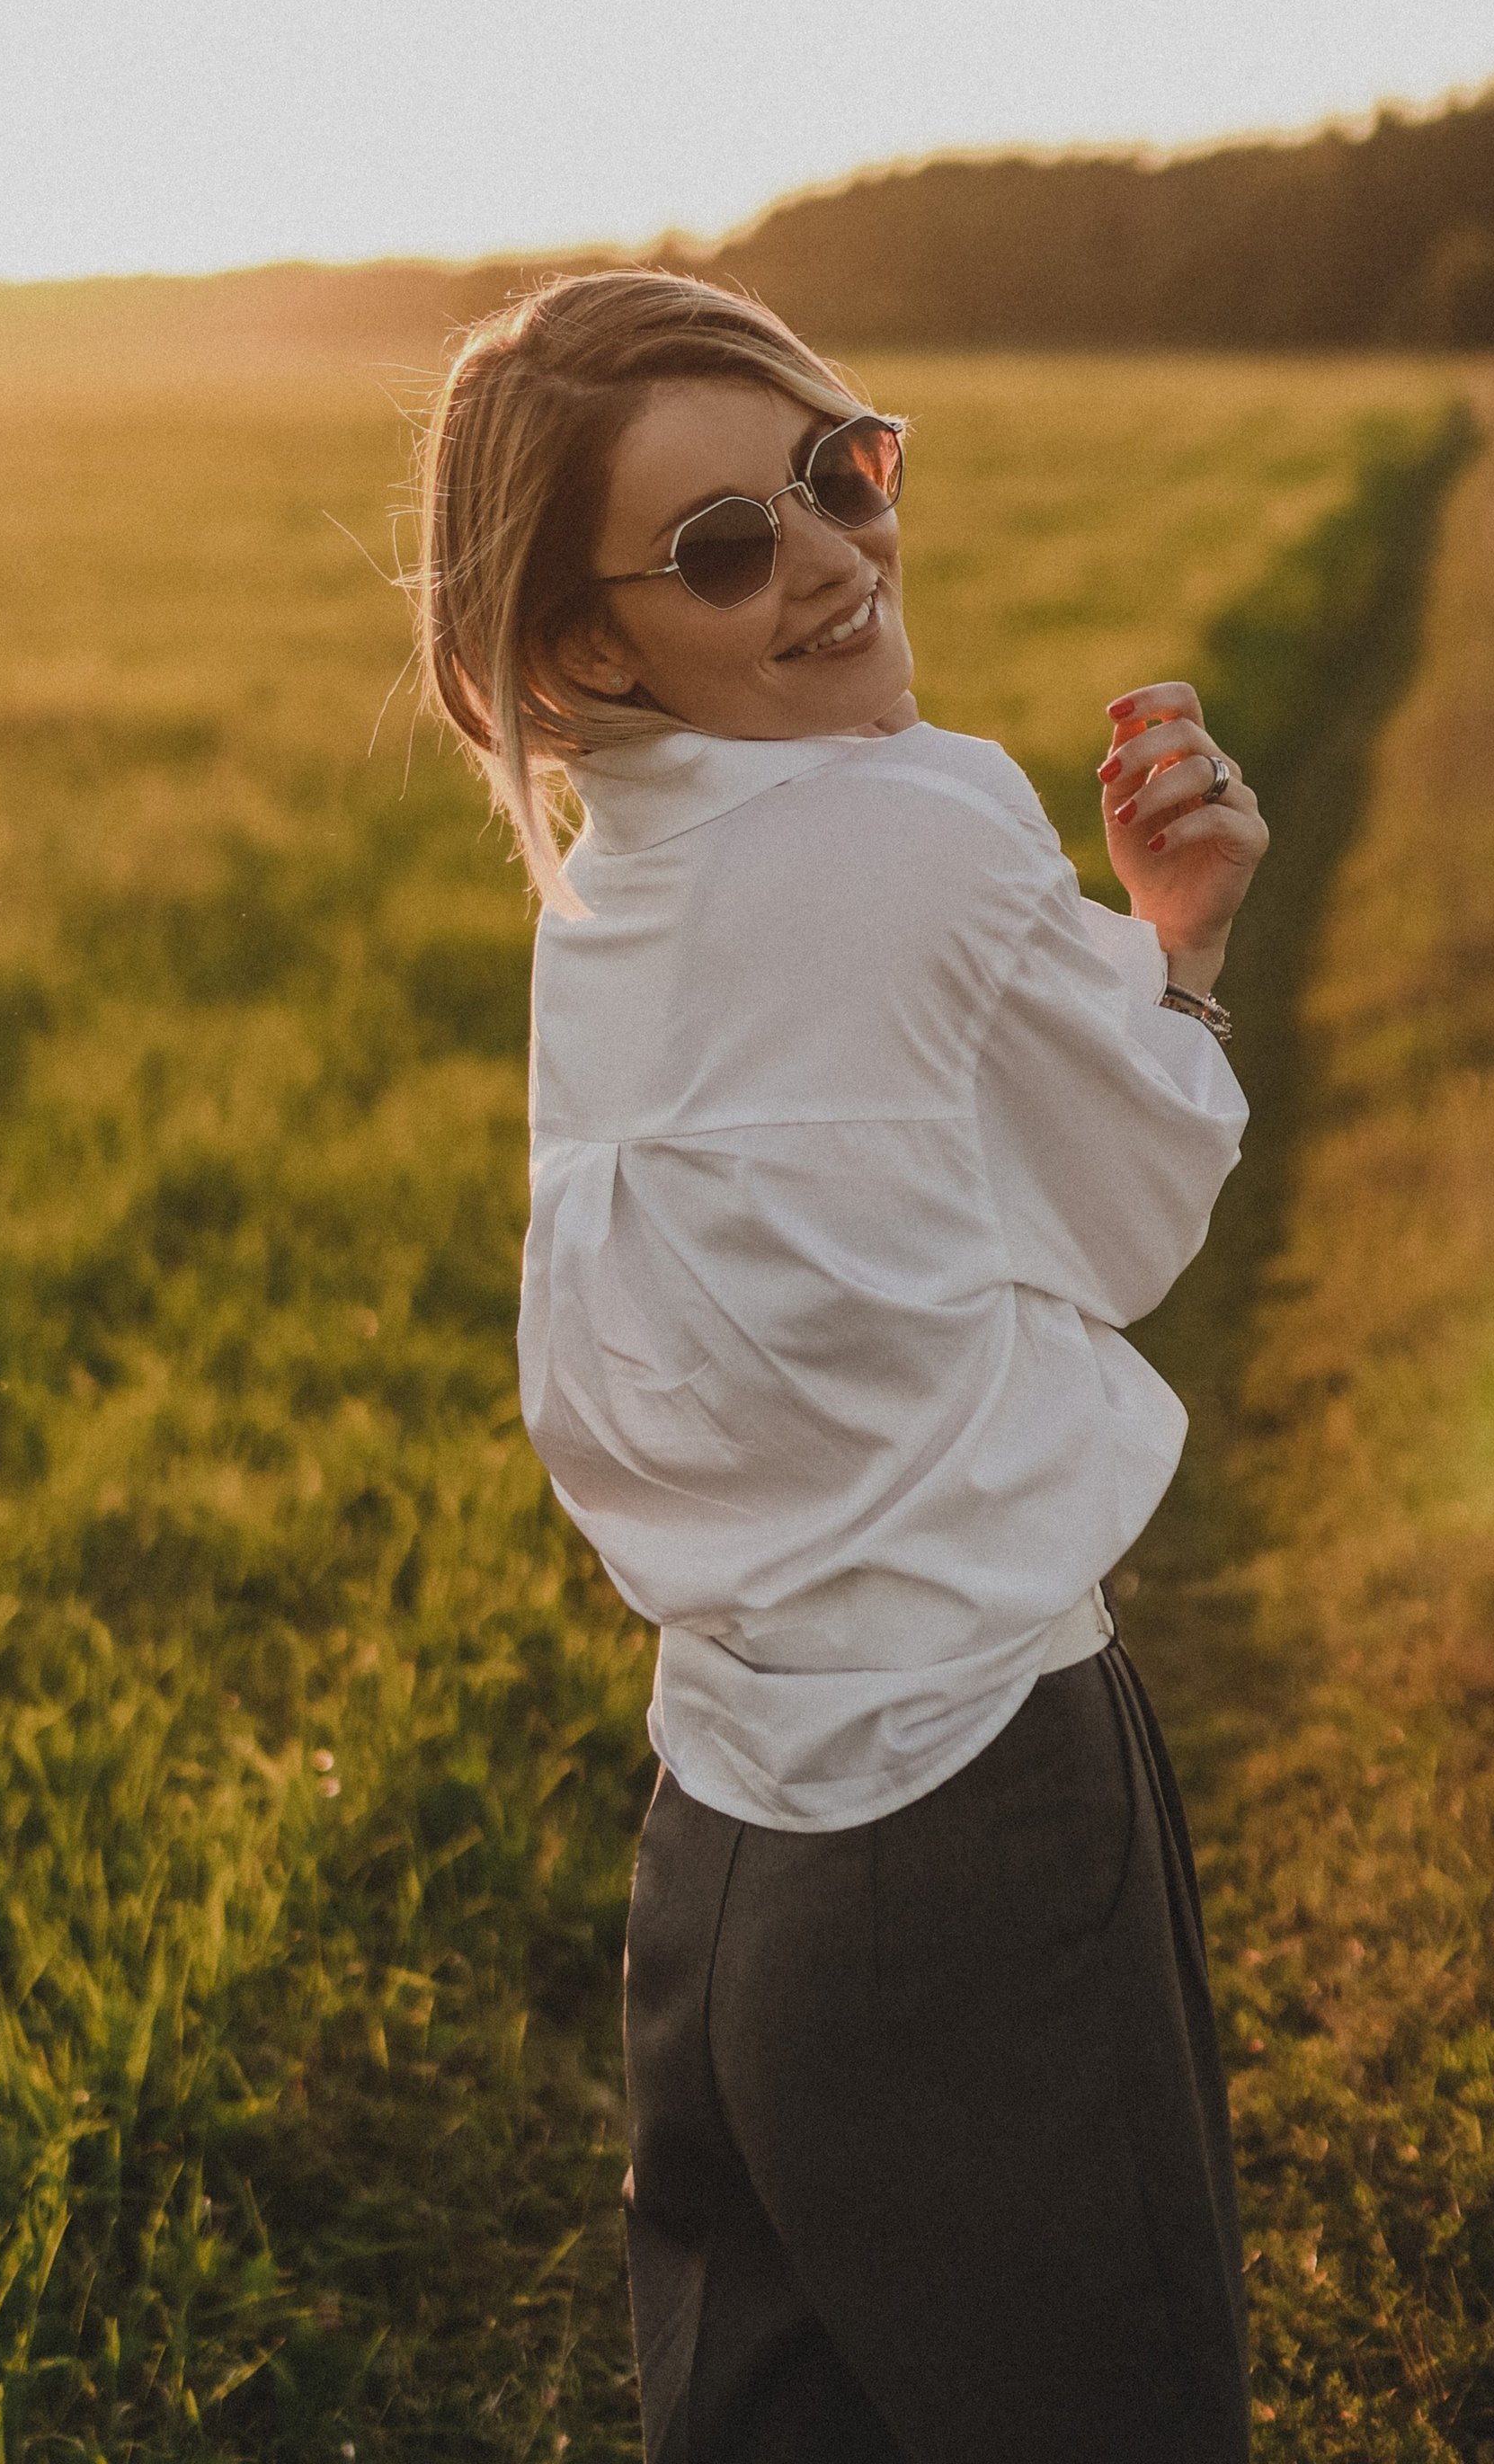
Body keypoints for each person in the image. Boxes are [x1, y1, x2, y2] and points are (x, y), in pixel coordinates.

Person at [416, 267, 1269, 2464]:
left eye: (837, 468)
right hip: (978, 1803)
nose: (822, 556)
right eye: (722, 545)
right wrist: (1175, 949)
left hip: (720, 1856)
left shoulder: (612, 880)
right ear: (590, 642)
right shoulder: (910, 824)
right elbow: (1136, 1206)